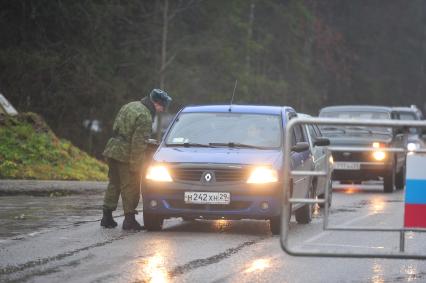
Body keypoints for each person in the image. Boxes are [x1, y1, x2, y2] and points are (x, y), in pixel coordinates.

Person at [100, 89, 172, 230]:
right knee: (131, 186)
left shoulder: (130, 105)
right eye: (162, 107)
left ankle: (106, 216)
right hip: (126, 153)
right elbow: (138, 144)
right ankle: (129, 220)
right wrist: (136, 167)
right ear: (156, 103)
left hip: (112, 148)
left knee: (114, 183)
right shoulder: (145, 116)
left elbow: (117, 127)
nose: (162, 110)